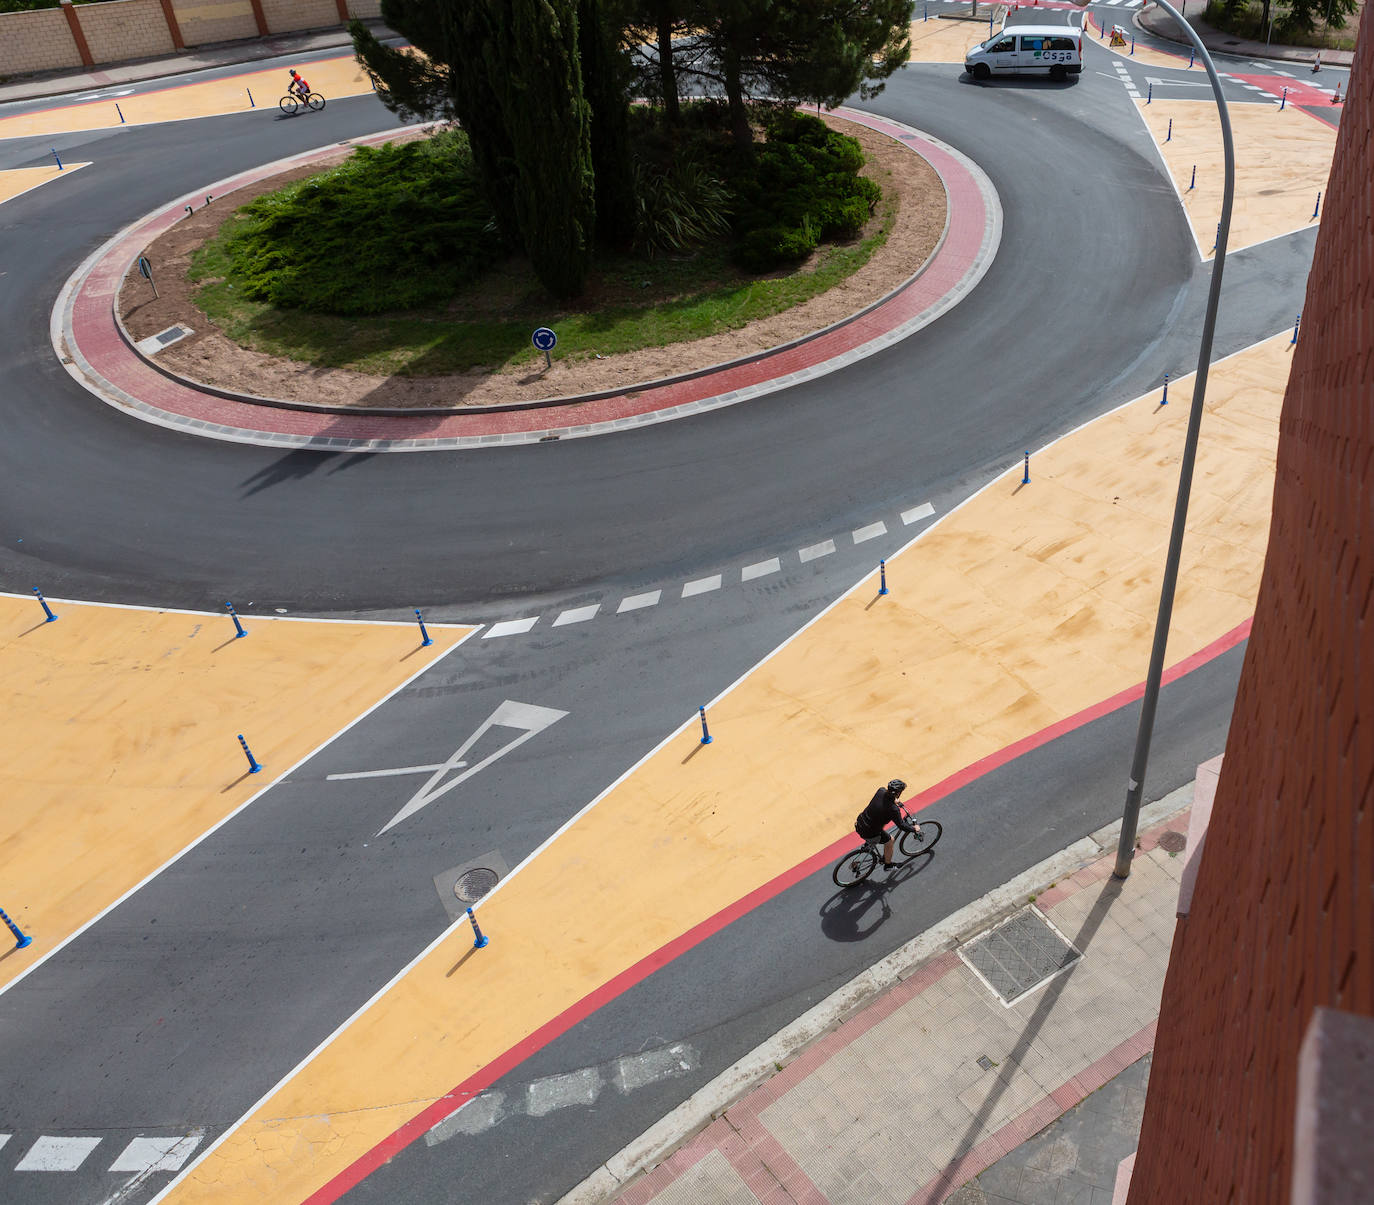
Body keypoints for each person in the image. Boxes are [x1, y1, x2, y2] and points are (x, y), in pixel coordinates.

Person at [855, 778, 920, 870]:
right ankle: (888, 865)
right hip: (868, 832)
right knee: (890, 840)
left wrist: (894, 800)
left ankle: (868, 845)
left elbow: (883, 801)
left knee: (878, 822)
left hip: (860, 822)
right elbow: (901, 825)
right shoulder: (893, 809)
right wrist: (914, 829)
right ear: (898, 793)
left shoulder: (880, 791)